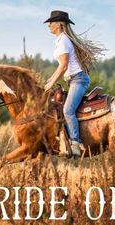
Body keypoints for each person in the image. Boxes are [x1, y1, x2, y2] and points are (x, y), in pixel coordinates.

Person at [44, 10, 104, 156]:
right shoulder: (60, 40)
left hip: (78, 79)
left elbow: (64, 65)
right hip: (73, 79)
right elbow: (61, 66)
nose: (49, 25)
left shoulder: (63, 40)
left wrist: (52, 83)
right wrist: (50, 79)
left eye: (51, 22)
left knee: (68, 110)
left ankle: (75, 144)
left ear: (59, 24)